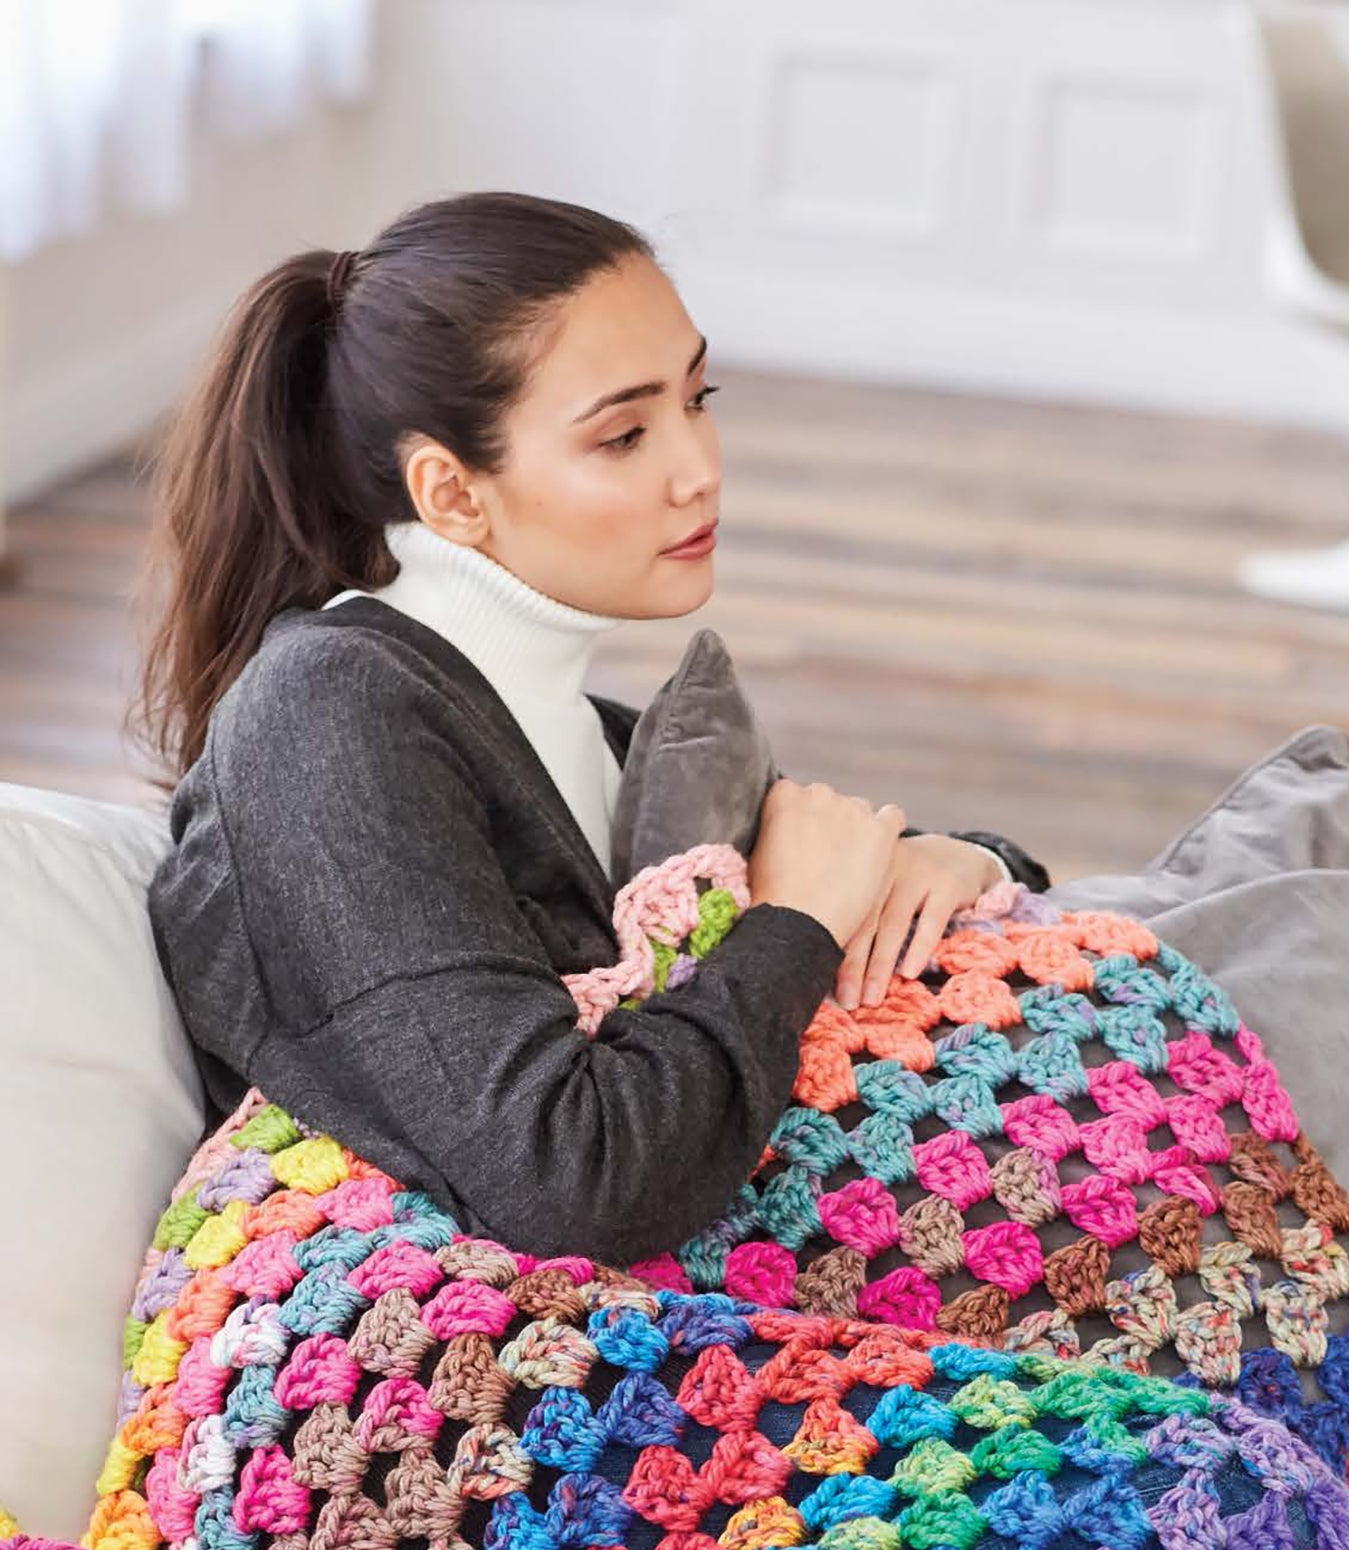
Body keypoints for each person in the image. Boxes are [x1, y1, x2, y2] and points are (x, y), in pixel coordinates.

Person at [137, 191, 1046, 1268]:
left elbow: (847, 860)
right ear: (452, 493)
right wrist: (796, 923)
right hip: (464, 1346)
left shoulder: (580, 733)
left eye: (699, 398)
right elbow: (571, 1179)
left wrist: (965, 860)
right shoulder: (327, 716)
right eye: (624, 435)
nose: (700, 468)